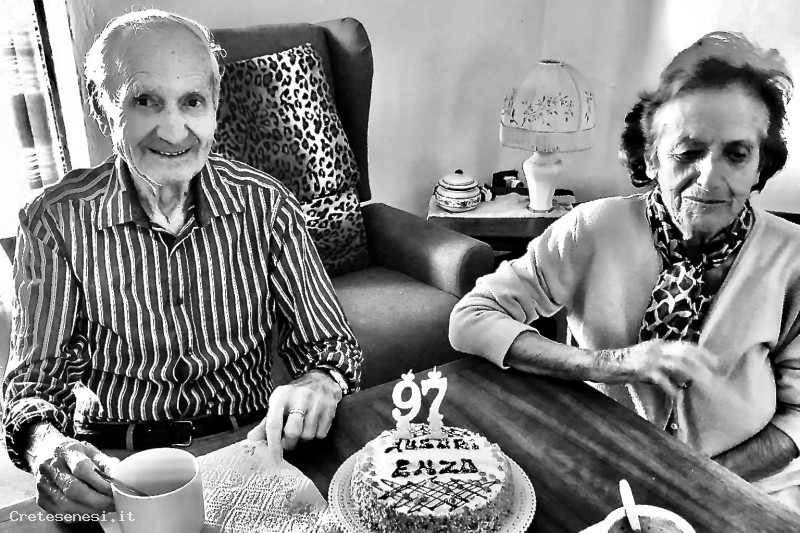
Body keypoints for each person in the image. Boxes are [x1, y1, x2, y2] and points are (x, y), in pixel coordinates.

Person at [1, 9, 362, 517]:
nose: (174, 131)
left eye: (192, 101)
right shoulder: (54, 221)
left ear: (214, 106)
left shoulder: (267, 205)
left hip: (248, 445)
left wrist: (320, 381)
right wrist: (46, 447)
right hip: (118, 465)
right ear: (102, 108)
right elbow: (31, 391)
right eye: (144, 100)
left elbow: (331, 345)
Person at [450, 31, 800, 508]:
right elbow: (471, 319)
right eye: (688, 151)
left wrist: (695, 483)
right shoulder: (592, 228)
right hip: (608, 466)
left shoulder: (792, 255)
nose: (710, 177)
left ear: (760, 166)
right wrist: (610, 364)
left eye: (737, 155)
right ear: (651, 157)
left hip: (749, 485)